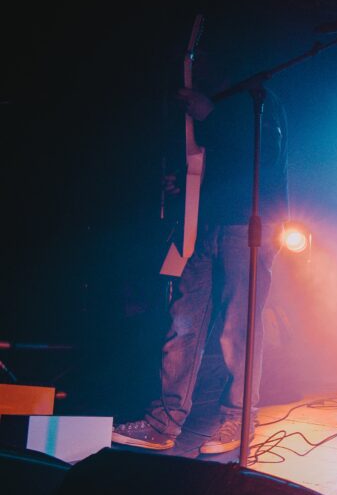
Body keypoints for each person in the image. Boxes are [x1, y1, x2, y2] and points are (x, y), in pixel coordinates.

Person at [113, 54, 288, 455]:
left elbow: (266, 155)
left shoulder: (257, 96)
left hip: (248, 222)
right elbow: (215, 165)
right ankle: (164, 422)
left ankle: (239, 418)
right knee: (183, 321)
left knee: (237, 326)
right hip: (202, 223)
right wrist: (187, 182)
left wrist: (213, 114)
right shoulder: (212, 104)